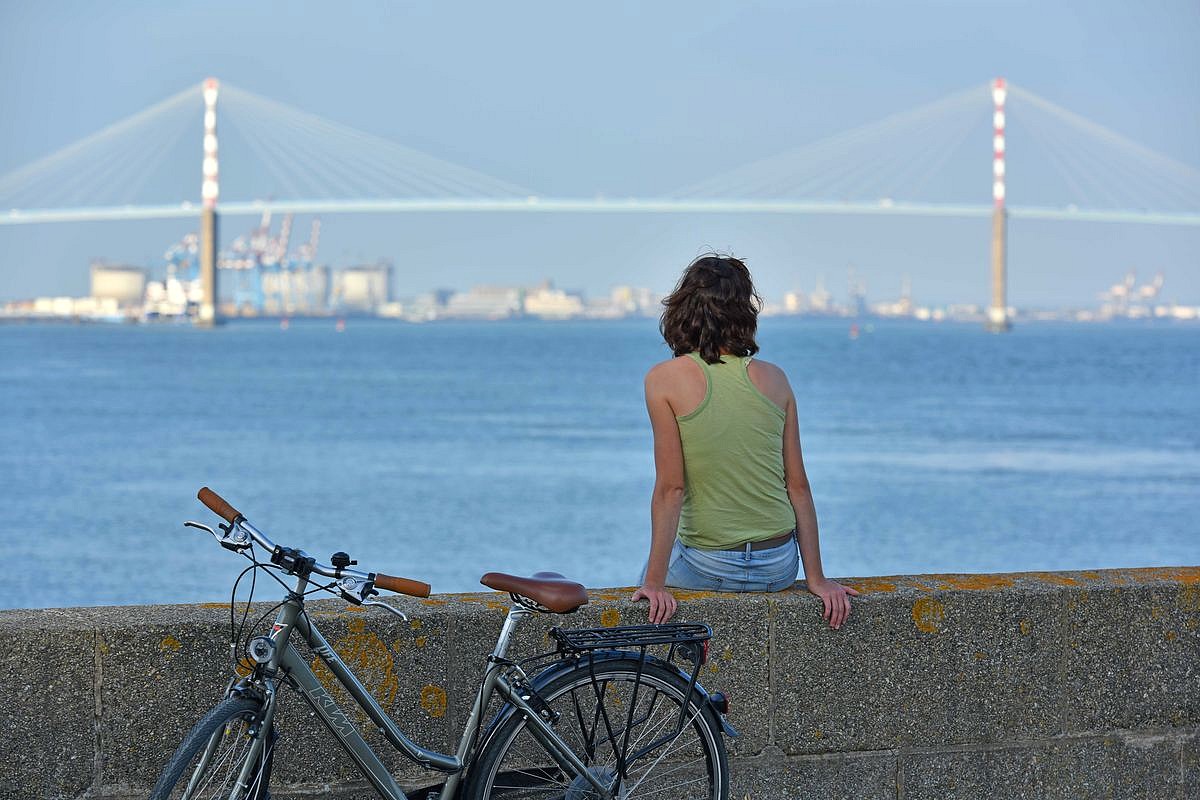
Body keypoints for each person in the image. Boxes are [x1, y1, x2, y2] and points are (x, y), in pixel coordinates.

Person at [632, 254, 858, 628]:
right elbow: (797, 487)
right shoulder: (776, 379)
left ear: (681, 310)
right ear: (744, 314)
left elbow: (671, 489)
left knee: (643, 587)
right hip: (779, 566)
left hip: (709, 565)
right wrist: (816, 579)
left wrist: (654, 583)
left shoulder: (663, 380)